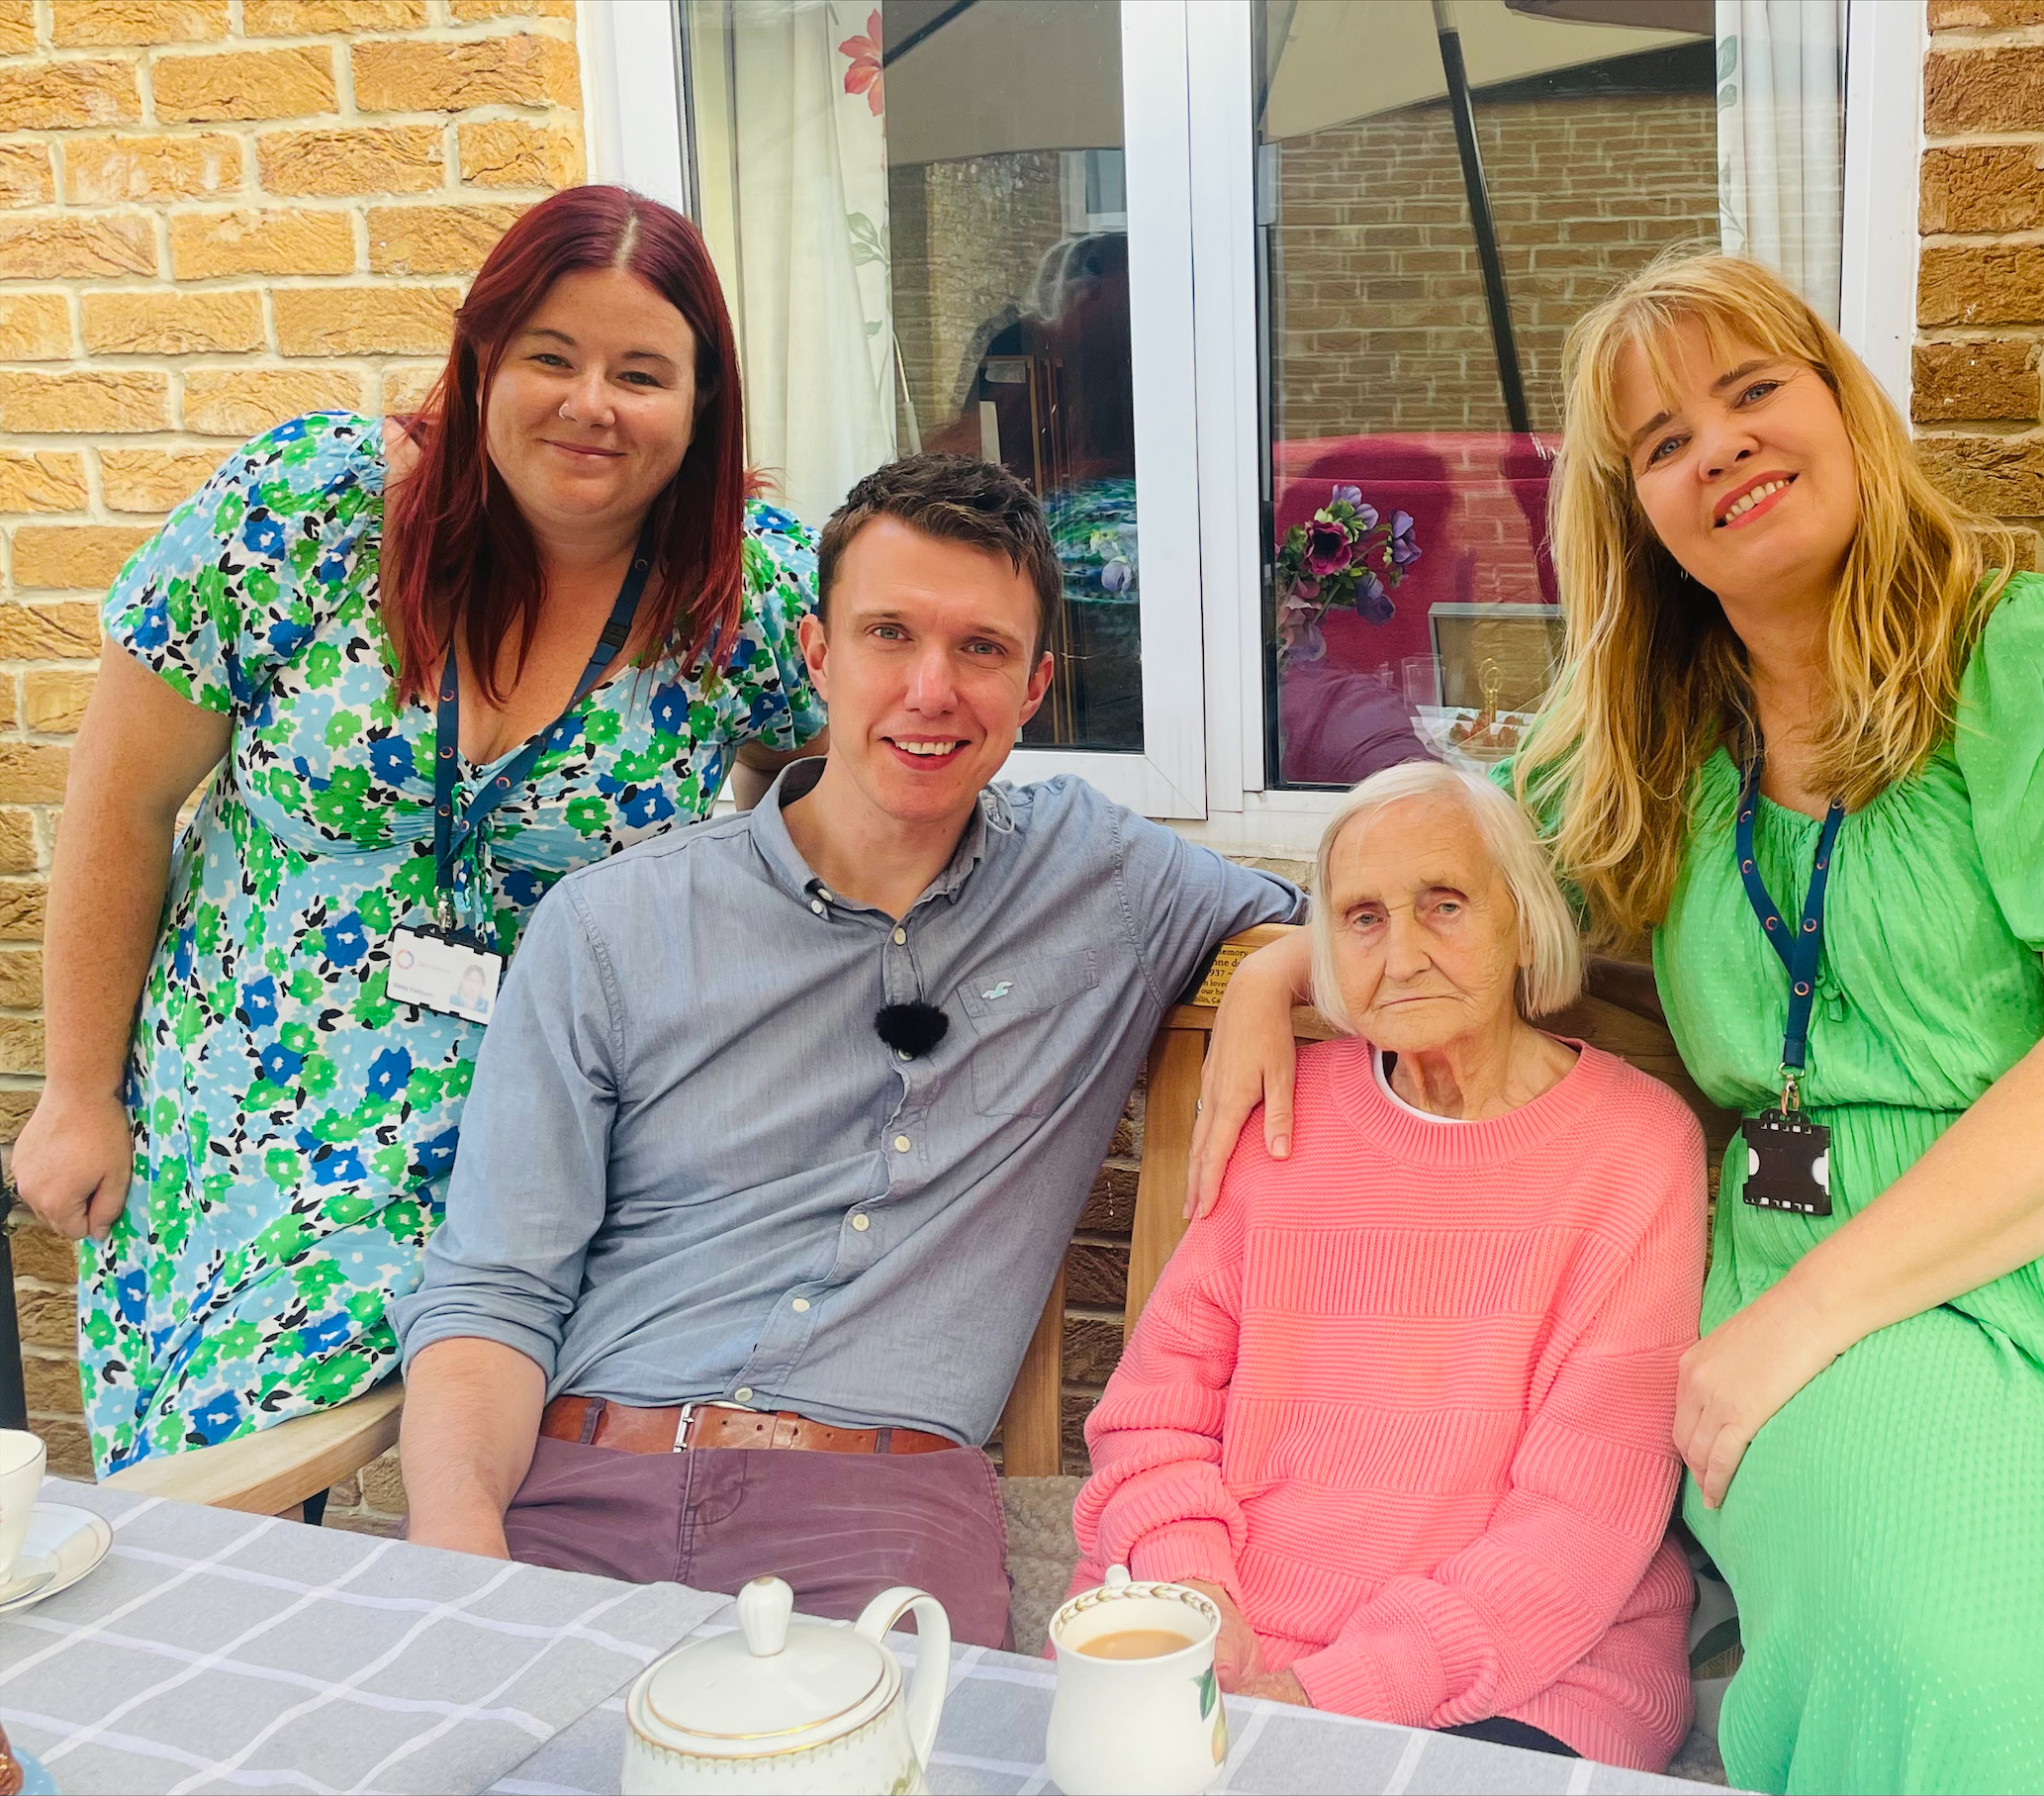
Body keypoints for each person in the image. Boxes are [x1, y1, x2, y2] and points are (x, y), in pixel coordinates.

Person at [1185, 253, 2044, 1793]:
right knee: (1963, 1649)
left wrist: (1795, 1320)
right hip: (1827, 1262)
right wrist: (1287, 964)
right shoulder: (1646, 746)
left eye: (1754, 391)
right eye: (1667, 441)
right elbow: (1452, 884)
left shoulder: (2041, 654)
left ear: (1840, 402)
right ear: (1642, 517)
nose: (1724, 447)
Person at [391, 454, 1303, 1651]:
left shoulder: (1104, 881)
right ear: (819, 655)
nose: (931, 689)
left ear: (1034, 687)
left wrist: (1278, 961)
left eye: (980, 649)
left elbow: (1380, 914)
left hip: (877, 1509)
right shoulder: (611, 926)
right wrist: (457, 1535)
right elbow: (495, 1284)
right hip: (580, 1474)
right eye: (888, 634)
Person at [17, 186, 824, 1481]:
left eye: (642, 371)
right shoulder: (313, 512)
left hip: (541, 1126)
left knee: (550, 1480)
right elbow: (122, 802)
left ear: (704, 402)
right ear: (481, 358)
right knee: (213, 1496)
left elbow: (857, 778)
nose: (591, 403)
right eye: (551, 356)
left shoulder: (744, 588)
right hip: (244, 1101)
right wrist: (75, 1091)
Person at [1070, 762, 1704, 1769]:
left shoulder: (1631, 1151)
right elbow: (1154, 1413)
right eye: (1361, 918)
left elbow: (1581, 1521)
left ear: (1522, 923)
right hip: (1228, 1637)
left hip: (1533, 1670)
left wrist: (1324, 1695)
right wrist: (1193, 1595)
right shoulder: (1286, 1108)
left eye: (1442, 905)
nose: (1400, 954)